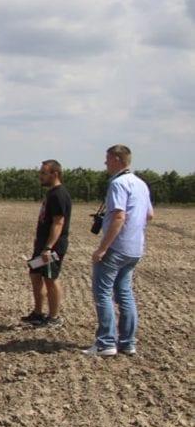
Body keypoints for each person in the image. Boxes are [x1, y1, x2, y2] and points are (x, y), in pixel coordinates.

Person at [84, 144, 153, 357]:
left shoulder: (118, 183)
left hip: (116, 247)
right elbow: (150, 215)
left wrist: (103, 248)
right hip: (135, 249)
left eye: (107, 159)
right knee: (124, 293)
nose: (105, 163)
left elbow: (119, 216)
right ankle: (127, 343)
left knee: (102, 293)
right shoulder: (141, 184)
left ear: (116, 159)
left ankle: (106, 343)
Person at [24, 160, 71, 328]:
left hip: (52, 248)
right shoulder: (51, 193)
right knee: (35, 273)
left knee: (51, 278)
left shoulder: (59, 195)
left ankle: (54, 317)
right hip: (42, 246)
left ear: (55, 174)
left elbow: (58, 222)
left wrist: (48, 247)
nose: (40, 176)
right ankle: (38, 314)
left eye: (44, 173)